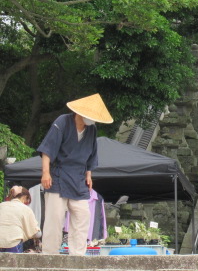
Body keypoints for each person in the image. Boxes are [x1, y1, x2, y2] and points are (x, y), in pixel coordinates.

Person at [37, 93, 113, 255]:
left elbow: (91, 155)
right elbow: (47, 150)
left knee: (82, 216)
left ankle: (77, 255)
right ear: (80, 113)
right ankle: (49, 255)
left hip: (79, 179)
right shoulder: (62, 122)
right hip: (58, 176)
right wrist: (45, 173)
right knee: (55, 219)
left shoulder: (92, 129)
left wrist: (88, 175)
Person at [0, 186, 41, 253]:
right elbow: (37, 234)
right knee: (13, 263)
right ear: (24, 197)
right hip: (13, 242)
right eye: (27, 200)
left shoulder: (1, 205)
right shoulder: (25, 209)